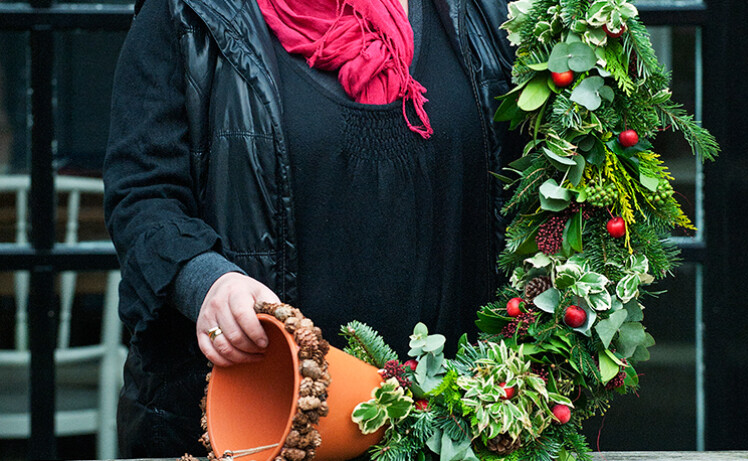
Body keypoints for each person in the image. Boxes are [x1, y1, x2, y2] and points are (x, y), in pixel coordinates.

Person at [103, 0, 520, 456]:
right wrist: (207, 281)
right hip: (254, 427)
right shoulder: (186, 12)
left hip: (458, 430)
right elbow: (143, 194)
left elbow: (537, 181)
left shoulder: (483, 10)